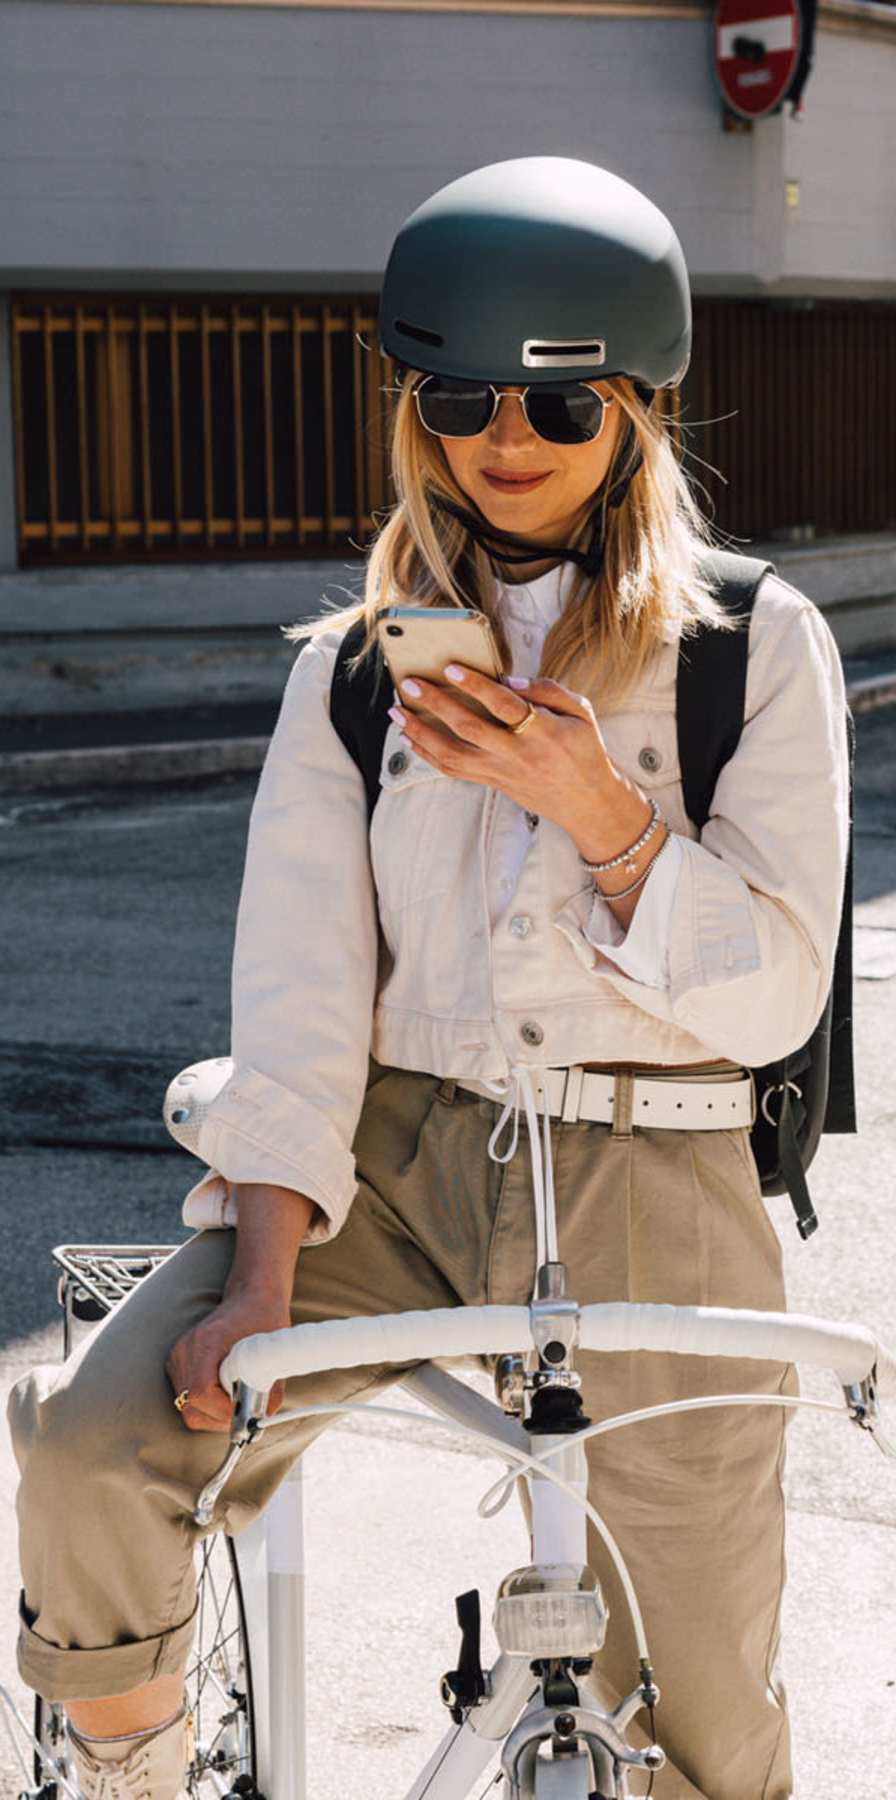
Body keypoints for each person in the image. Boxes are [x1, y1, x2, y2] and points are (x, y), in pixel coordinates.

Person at [7, 157, 849, 1800]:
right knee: (98, 1457)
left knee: (701, 1716)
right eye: (459, 401)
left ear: (640, 417)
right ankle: (134, 1775)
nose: (504, 445)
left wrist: (599, 811)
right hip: (382, 1170)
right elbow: (306, 991)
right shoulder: (347, 673)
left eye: (559, 408)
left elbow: (771, 1006)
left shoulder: (756, 645)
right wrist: (259, 1270)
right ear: (419, 415)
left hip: (656, 1156)